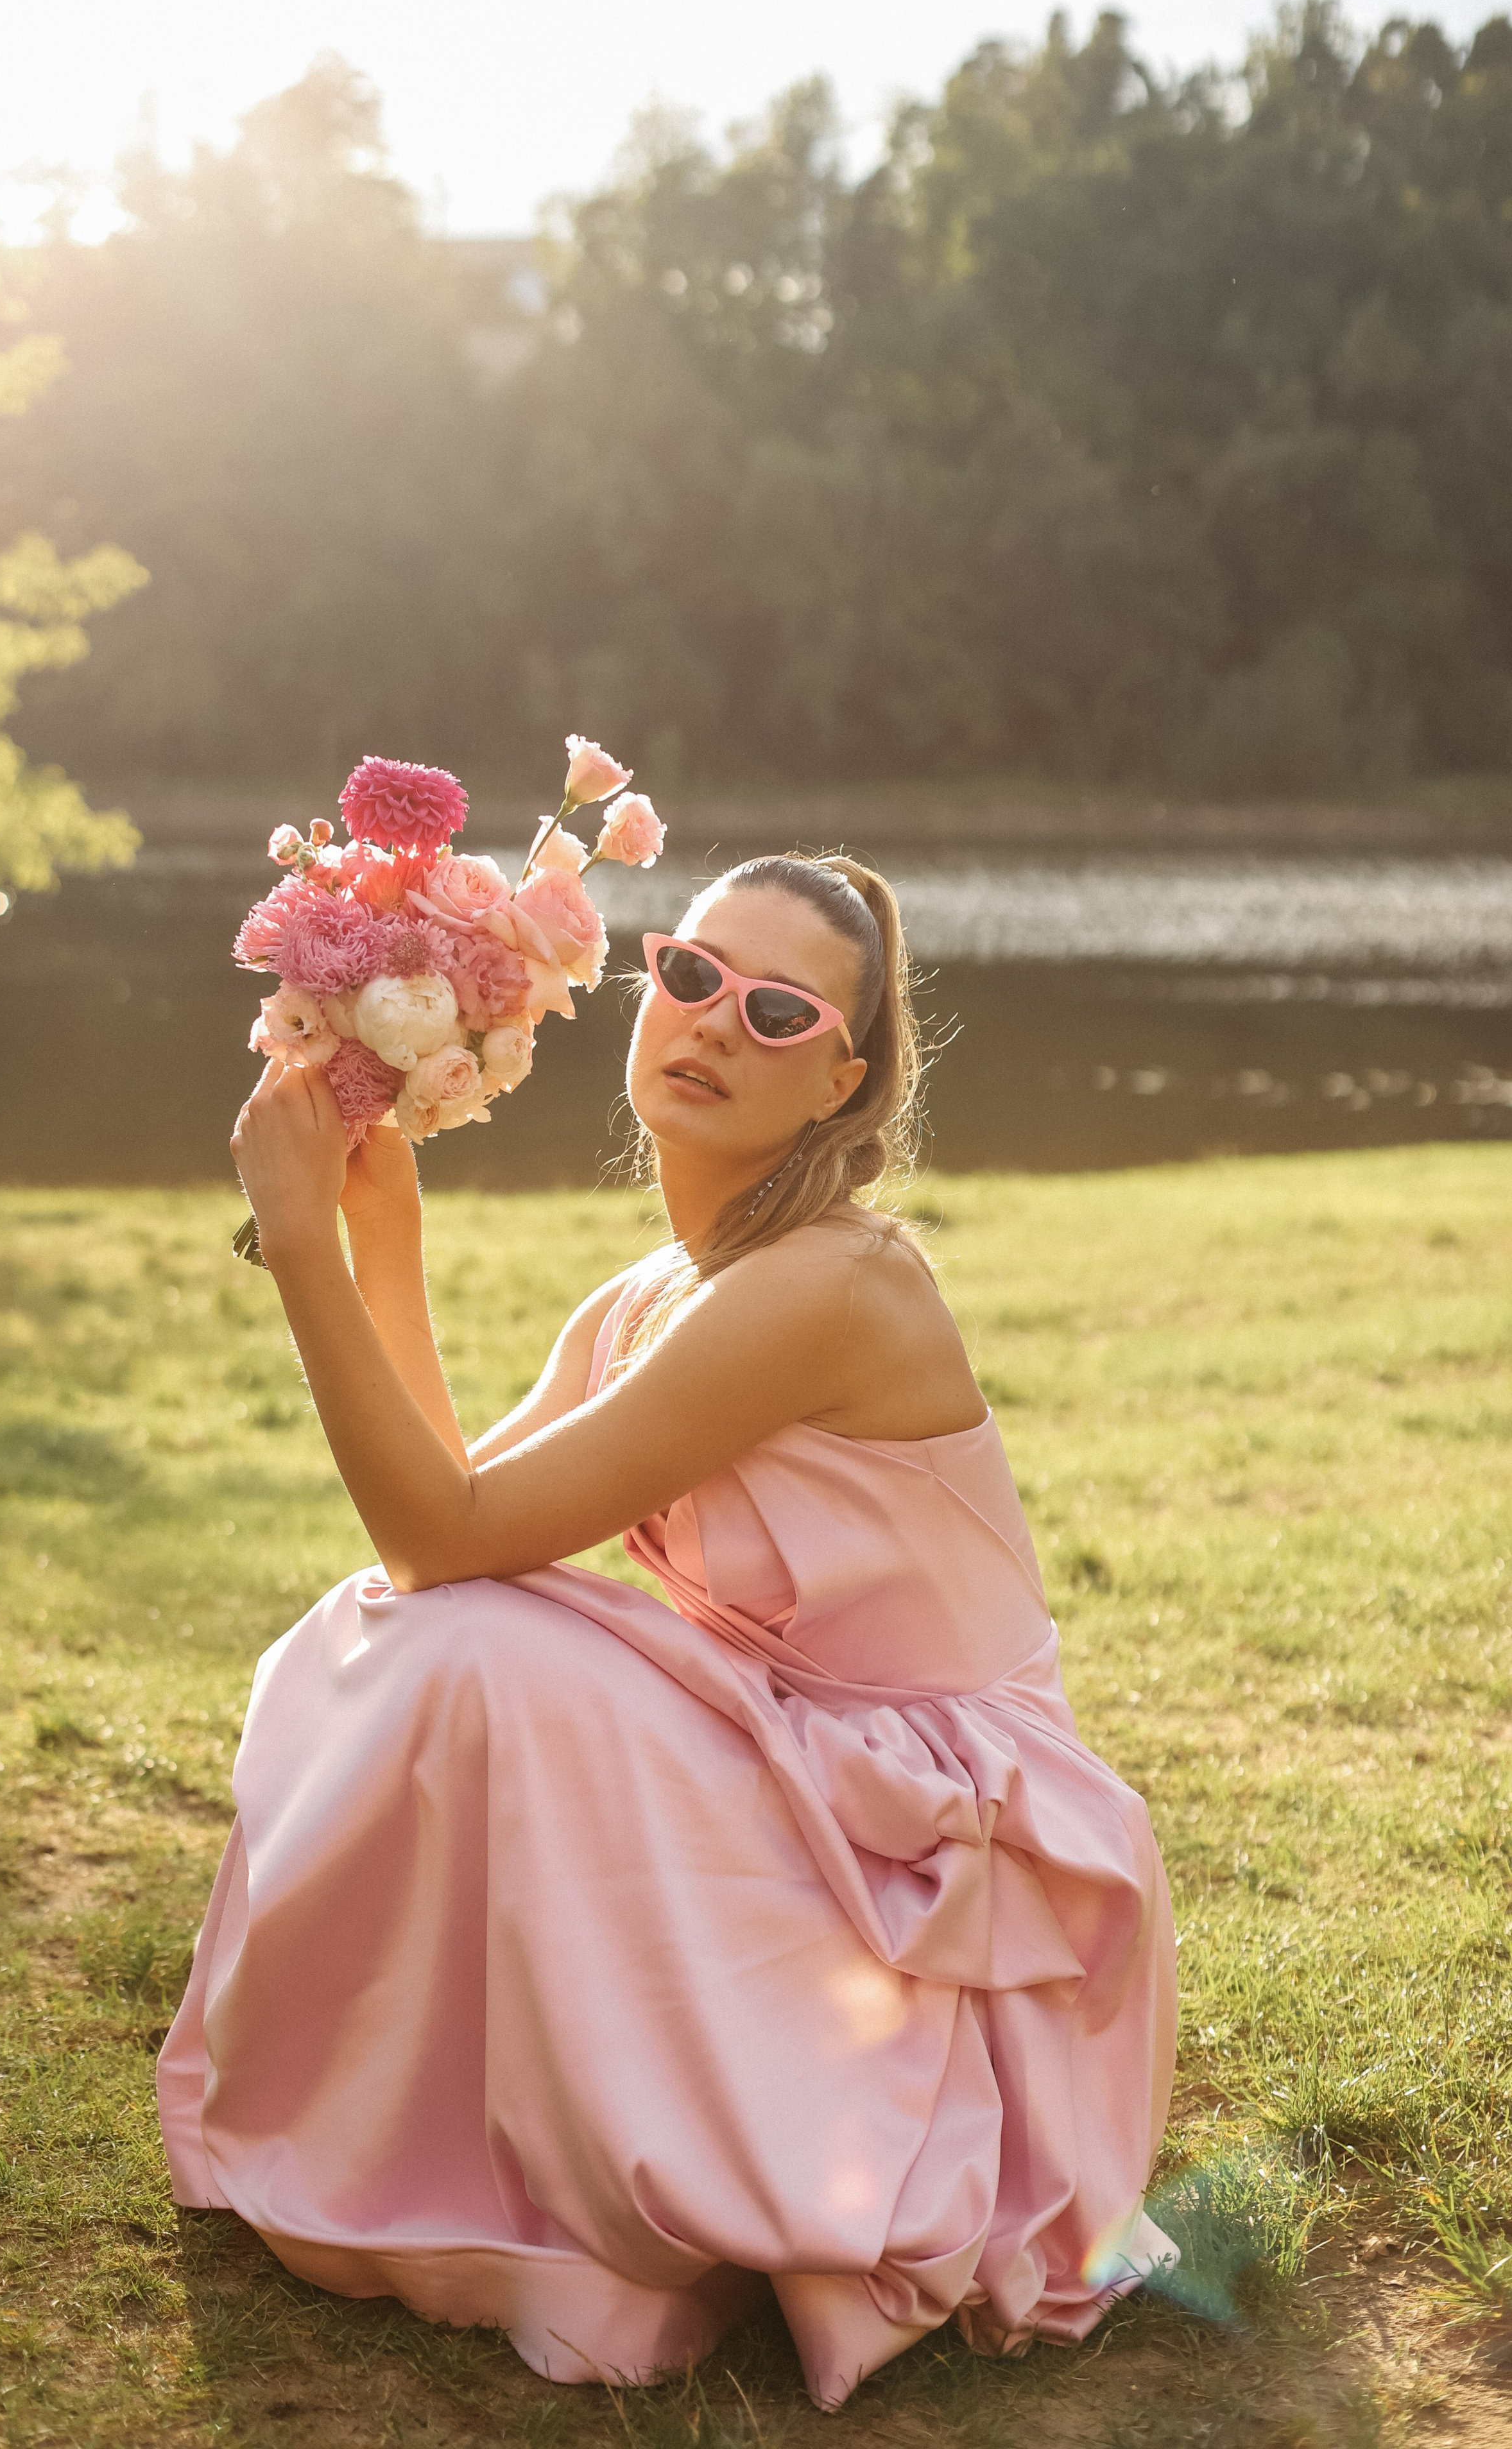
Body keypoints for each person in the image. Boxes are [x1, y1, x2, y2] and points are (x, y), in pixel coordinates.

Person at [157, 852, 1177, 2411]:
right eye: (689, 974)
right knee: (417, 1636)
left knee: (467, 1651)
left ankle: (731, 2137)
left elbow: (443, 1539)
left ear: (841, 1081)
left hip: (951, 1846)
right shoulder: (654, 1293)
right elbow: (438, 1526)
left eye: (775, 1013)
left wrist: (294, 1247)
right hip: (818, 1761)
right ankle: (429, 2116)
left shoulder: (830, 1286)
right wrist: (381, 1235)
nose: (711, 1023)